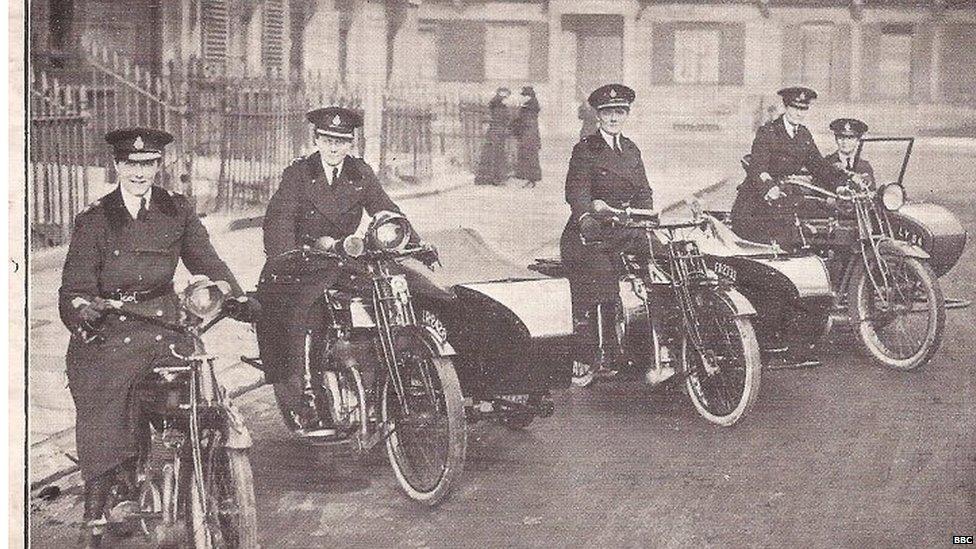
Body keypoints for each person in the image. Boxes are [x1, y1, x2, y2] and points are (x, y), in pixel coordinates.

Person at [59, 127, 243, 547]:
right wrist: (83, 310)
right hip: (111, 328)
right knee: (104, 404)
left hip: (164, 324)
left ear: (158, 165)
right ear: (117, 166)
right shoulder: (96, 219)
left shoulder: (175, 210)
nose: (139, 173)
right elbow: (73, 287)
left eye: (147, 164)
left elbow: (205, 259)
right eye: (131, 164)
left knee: (203, 387)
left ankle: (204, 467)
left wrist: (235, 295)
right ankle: (99, 502)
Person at [256, 106, 423, 437]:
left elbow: (387, 210)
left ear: (351, 144)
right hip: (301, 262)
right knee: (309, 314)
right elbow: (280, 219)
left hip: (343, 259)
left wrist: (412, 242)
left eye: (342, 142)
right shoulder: (299, 175)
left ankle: (397, 381)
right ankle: (308, 398)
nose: (334, 148)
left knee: (389, 293)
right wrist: (285, 254)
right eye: (328, 140)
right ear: (317, 140)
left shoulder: (360, 173)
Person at [560, 83, 656, 386]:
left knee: (664, 264)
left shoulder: (631, 149)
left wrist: (646, 217)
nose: (613, 118)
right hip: (591, 231)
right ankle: (593, 353)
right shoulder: (586, 149)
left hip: (625, 227)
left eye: (619, 112)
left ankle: (656, 344)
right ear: (598, 117)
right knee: (601, 280)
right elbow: (576, 191)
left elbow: (644, 191)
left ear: (625, 115)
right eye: (607, 113)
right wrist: (587, 216)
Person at [730, 86, 851, 246]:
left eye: (804, 109)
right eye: (795, 108)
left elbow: (819, 166)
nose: (799, 114)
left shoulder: (803, 135)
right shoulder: (768, 132)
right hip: (756, 204)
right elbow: (758, 168)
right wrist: (769, 187)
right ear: (786, 107)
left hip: (783, 200)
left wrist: (839, 186)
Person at [474, 87, 512, 185]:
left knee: (494, 154)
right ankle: (494, 178)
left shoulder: (498, 105)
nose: (506, 96)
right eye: (505, 94)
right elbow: (497, 118)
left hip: (497, 132)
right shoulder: (497, 105)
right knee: (495, 155)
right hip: (496, 132)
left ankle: (493, 178)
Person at [823, 117, 874, 188]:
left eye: (850, 138)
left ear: (858, 140)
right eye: (841, 138)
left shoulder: (865, 166)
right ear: (836, 139)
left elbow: (871, 192)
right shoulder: (826, 163)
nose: (845, 142)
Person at [512, 86, 542, 188]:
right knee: (530, 156)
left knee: (529, 156)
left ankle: (530, 178)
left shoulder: (530, 106)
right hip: (530, 134)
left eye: (524, 95)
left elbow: (525, 121)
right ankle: (530, 179)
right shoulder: (530, 105)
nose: (523, 98)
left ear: (528, 96)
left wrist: (515, 125)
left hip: (529, 134)